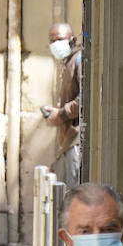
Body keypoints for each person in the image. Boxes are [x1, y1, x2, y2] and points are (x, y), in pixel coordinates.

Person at [44, 22, 83, 186]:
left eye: (59, 39)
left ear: (72, 40)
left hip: (76, 139)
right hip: (68, 141)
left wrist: (61, 114)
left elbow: (84, 99)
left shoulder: (79, 60)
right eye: (51, 41)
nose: (55, 45)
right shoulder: (67, 63)